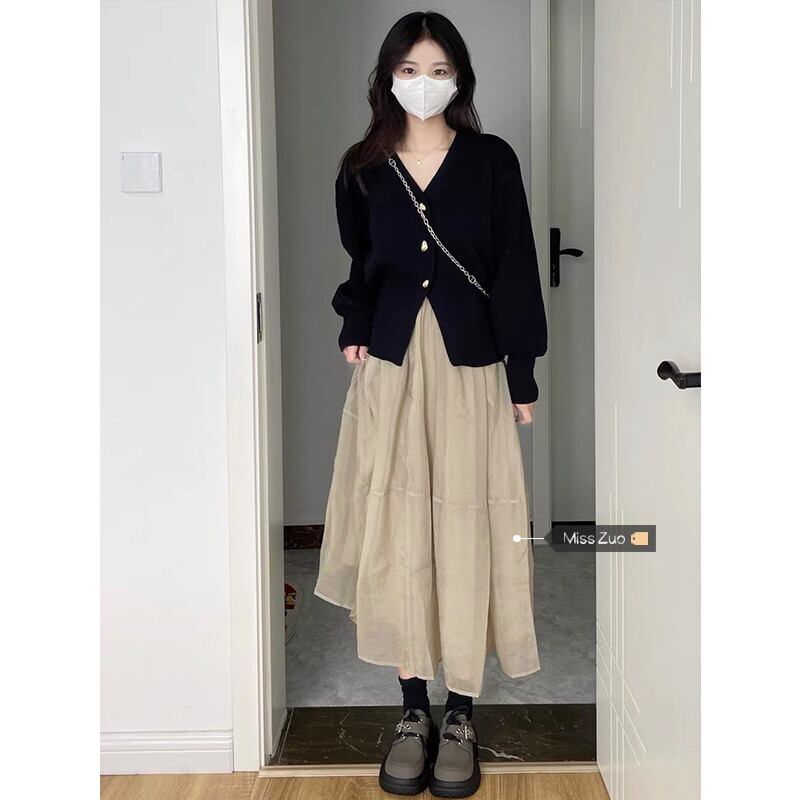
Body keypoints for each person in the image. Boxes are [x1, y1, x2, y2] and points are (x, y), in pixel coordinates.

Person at [314, 10, 547, 798]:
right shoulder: (362, 169)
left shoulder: (490, 161)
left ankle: (461, 713)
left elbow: (515, 265)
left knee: (468, 524)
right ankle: (412, 707)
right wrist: (354, 323)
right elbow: (361, 264)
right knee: (399, 528)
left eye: (438, 69)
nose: (423, 83)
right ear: (388, 77)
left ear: (460, 78)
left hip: (470, 365)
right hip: (390, 366)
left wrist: (522, 373)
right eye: (409, 69)